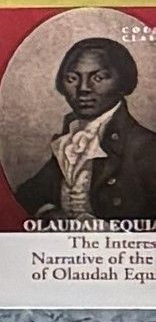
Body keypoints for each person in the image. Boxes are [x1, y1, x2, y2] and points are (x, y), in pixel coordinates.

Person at [38, 31, 156, 223]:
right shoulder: (69, 140)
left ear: (123, 82)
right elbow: (29, 196)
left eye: (98, 78)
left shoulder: (147, 148)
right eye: (72, 79)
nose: (83, 88)